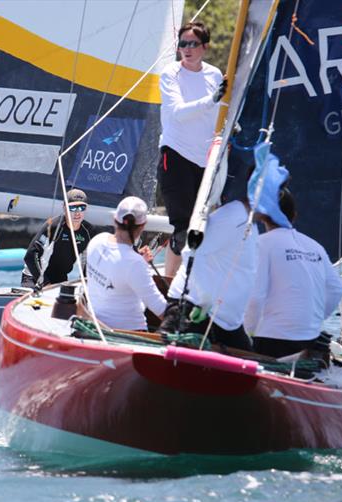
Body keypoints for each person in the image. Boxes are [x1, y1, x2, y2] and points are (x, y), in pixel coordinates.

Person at [157, 21, 227, 278]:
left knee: (205, 227)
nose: (186, 49)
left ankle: (195, 282)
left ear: (205, 47)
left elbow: (219, 114)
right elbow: (178, 113)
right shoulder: (170, 74)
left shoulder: (215, 75)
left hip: (205, 161)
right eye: (182, 43)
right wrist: (211, 100)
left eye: (192, 44)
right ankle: (169, 284)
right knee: (183, 227)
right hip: (175, 156)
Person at [244, 189, 342, 357]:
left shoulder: (261, 244)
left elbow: (256, 297)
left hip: (271, 341)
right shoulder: (315, 246)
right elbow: (337, 290)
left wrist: (247, 334)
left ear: (263, 216)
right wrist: (311, 322)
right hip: (309, 339)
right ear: (295, 215)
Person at [160, 197, 257, 351]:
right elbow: (191, 250)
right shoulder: (233, 215)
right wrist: (204, 298)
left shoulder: (248, 220)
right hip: (196, 312)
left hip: (225, 322)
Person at [85, 196, 167, 331]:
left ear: (114, 220)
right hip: (129, 333)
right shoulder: (135, 264)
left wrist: (138, 260)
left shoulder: (97, 241)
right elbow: (159, 308)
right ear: (143, 226)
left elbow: (117, 265)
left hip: (94, 324)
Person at [21, 189, 94, 290]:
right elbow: (30, 256)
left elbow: (87, 262)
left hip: (60, 277)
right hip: (34, 277)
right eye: (72, 208)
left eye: (82, 207)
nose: (77, 212)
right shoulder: (53, 226)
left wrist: (84, 285)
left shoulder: (87, 231)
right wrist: (45, 283)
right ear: (64, 208)